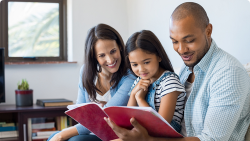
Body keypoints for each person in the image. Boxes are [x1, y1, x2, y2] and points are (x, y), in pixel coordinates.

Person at [105, 2, 250, 141]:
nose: (181, 50)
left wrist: (148, 140)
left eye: (189, 40)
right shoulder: (186, 68)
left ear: (208, 31)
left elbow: (211, 139)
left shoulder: (229, 73)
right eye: (174, 41)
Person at [48, 23, 136, 141]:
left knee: (69, 139)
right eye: (102, 55)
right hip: (90, 132)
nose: (110, 59)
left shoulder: (130, 77)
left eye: (113, 51)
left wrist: (62, 135)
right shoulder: (86, 71)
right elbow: (80, 113)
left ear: (120, 47)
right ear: (94, 57)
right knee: (52, 136)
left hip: (114, 135)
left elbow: (103, 119)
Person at [125, 30, 185, 133]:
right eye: (135, 64)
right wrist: (133, 93)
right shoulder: (139, 81)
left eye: (146, 62)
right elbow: (128, 119)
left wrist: (140, 99)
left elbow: (161, 125)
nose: (141, 69)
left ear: (159, 56)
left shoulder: (169, 82)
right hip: (144, 132)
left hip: (164, 136)